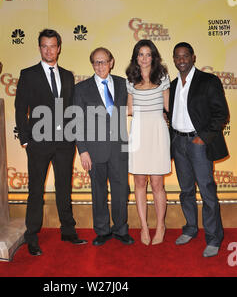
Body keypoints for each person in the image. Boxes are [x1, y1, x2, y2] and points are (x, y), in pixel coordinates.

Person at [15, 29, 87, 256]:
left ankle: (68, 230)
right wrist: (26, 140)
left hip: (65, 143)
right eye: (44, 46)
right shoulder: (28, 74)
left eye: (53, 46)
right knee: (35, 190)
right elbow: (20, 108)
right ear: (39, 48)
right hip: (38, 143)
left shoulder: (67, 75)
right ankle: (32, 235)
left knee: (64, 187)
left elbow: (71, 110)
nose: (49, 50)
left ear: (59, 48)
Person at [169, 42, 229, 257]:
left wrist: (203, 138)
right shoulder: (173, 84)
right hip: (178, 142)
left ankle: (213, 238)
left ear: (193, 57)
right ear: (174, 59)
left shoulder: (208, 81)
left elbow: (221, 114)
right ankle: (191, 228)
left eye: (185, 56)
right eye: (177, 56)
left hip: (198, 143)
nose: (181, 60)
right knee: (185, 191)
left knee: (207, 191)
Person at [73, 47, 134, 246]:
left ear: (112, 62)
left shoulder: (123, 84)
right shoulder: (81, 89)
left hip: (119, 148)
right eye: (96, 62)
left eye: (104, 61)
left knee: (120, 191)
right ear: (92, 65)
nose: (100, 66)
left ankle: (121, 229)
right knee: (98, 192)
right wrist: (82, 151)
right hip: (94, 150)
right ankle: (102, 230)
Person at [126, 39, 170, 246]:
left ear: (153, 56)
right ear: (136, 57)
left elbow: (168, 107)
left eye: (148, 54)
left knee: (157, 183)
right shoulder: (130, 78)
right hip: (138, 131)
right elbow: (130, 109)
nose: (144, 58)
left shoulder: (162, 76)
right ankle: (144, 226)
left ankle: (160, 226)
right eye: (140, 54)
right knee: (140, 182)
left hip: (158, 131)